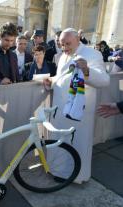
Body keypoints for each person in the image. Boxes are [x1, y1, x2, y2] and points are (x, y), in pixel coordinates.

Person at [43, 28, 110, 184]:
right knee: (59, 141)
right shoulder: (62, 56)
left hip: (79, 113)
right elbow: (62, 78)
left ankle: (76, 176)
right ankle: (57, 170)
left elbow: (104, 80)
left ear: (78, 39)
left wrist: (87, 70)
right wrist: (51, 81)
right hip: (59, 110)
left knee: (75, 144)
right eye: (61, 44)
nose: (65, 47)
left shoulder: (93, 54)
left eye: (68, 44)